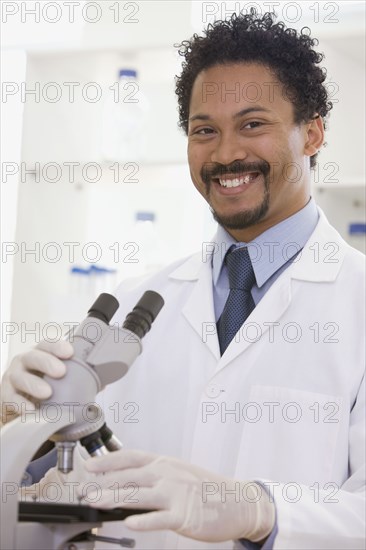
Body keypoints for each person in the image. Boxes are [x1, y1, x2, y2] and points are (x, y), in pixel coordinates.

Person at [1, 10, 365, 550]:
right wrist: (17, 425)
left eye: (253, 124)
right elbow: (53, 487)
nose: (225, 153)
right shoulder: (135, 302)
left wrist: (257, 509)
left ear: (311, 132)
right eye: (204, 131)